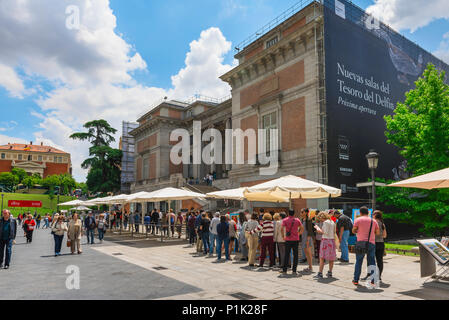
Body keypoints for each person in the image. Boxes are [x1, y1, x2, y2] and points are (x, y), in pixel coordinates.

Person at [352, 206, 380, 286]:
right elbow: (377, 233)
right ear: (368, 212)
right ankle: (373, 280)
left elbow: (354, 230)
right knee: (372, 261)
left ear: (360, 212)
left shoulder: (358, 220)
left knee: (359, 261)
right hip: (371, 243)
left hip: (360, 243)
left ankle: (356, 280)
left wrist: (359, 231)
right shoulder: (373, 221)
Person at [362, 210, 387, 281]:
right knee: (380, 260)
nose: (372, 215)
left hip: (373, 243)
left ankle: (369, 275)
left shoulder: (373, 223)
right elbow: (385, 235)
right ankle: (379, 276)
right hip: (381, 243)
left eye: (373, 214)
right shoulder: (382, 224)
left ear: (376, 215)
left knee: (370, 259)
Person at [314, 212, 337, 279]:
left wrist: (317, 228)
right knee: (331, 258)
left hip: (325, 241)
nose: (320, 220)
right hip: (332, 241)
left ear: (322, 217)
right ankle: (330, 272)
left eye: (320, 218)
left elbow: (324, 232)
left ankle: (320, 273)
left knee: (322, 257)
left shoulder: (326, 222)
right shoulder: (332, 222)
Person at [280, 210, 304, 275]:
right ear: (294, 213)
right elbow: (302, 228)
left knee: (286, 255)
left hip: (288, 239)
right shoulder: (297, 220)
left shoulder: (285, 220)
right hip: (295, 239)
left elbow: (281, 229)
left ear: (288, 213)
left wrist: (283, 236)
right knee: (295, 255)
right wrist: (299, 234)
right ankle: (294, 270)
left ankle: (284, 270)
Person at [300, 208, 314, 273]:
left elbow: (310, 231)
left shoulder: (309, 220)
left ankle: (311, 267)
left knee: (309, 253)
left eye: (302, 212)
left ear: (305, 213)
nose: (301, 213)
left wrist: (308, 240)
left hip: (307, 238)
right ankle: (309, 266)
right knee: (306, 253)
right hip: (303, 237)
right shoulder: (302, 220)